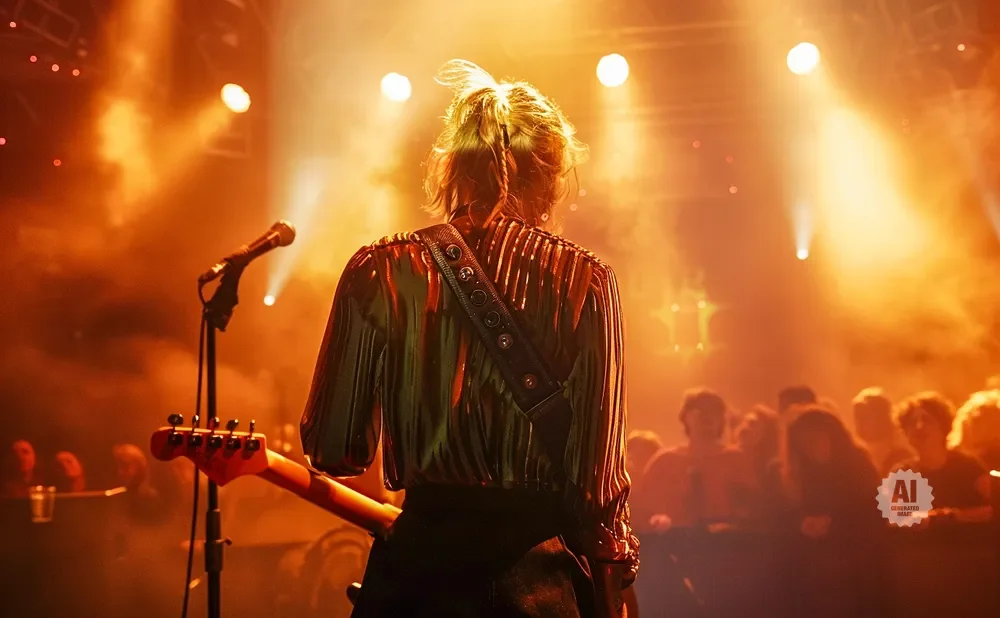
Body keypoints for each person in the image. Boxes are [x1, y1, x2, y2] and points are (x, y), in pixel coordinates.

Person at [300, 59, 637, 618]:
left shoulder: (378, 269)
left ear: (451, 165)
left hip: (415, 582)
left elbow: (335, 449)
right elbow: (597, 481)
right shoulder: (587, 281)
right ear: (552, 170)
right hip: (539, 586)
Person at [643, 389, 757, 531]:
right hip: (674, 543)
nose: (706, 415)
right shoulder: (664, 461)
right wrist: (656, 520)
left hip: (725, 543)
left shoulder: (736, 460)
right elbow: (642, 508)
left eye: (713, 411)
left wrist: (734, 526)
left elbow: (752, 508)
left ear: (721, 420)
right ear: (685, 417)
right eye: (700, 410)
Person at [894, 392, 992, 523]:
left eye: (927, 419)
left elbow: (994, 508)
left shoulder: (968, 467)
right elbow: (897, 519)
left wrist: (953, 516)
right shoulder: (903, 474)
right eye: (912, 422)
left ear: (943, 426)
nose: (919, 427)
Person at [851, 388, 912, 475]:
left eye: (865, 416)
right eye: (857, 416)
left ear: (883, 419)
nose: (859, 422)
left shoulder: (903, 460)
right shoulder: (856, 460)